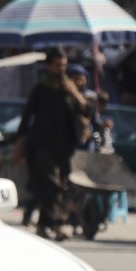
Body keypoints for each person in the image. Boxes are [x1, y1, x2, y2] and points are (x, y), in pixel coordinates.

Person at [13, 48, 89, 241]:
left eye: (64, 65)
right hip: (42, 145)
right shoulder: (41, 89)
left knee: (60, 186)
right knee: (52, 184)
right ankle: (57, 224)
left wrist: (75, 92)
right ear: (48, 66)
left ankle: (43, 225)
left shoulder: (69, 89)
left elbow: (87, 111)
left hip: (65, 147)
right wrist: (19, 146)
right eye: (57, 65)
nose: (61, 69)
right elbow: (26, 118)